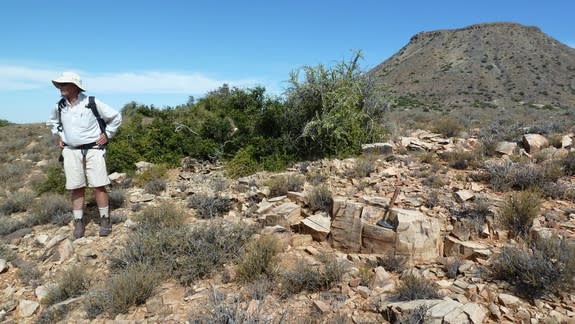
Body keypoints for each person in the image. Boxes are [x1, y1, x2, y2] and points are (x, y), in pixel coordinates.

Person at [46, 72, 122, 239]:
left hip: (94, 149)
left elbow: (116, 117)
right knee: (76, 186)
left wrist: (107, 134)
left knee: (98, 185)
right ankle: (79, 222)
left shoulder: (91, 102)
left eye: (64, 84)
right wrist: (60, 135)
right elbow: (52, 122)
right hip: (71, 151)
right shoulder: (59, 106)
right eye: (60, 84)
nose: (61, 87)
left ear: (75, 87)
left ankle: (104, 219)